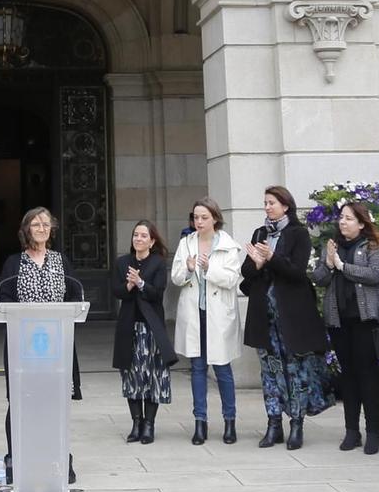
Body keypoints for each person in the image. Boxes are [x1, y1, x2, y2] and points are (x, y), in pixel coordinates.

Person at [0, 206, 84, 486]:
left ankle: (56, 456)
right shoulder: (14, 263)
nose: (42, 229)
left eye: (46, 224)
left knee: (53, 403)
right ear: (26, 230)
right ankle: (18, 456)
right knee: (21, 402)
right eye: (36, 224)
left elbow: (73, 297)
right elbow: (5, 299)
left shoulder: (61, 261)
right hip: (24, 347)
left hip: (56, 347)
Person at [241, 186, 331, 450]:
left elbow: (296, 272)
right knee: (269, 370)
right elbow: (247, 270)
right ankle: (273, 424)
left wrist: (272, 258)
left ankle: (297, 424)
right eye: (265, 202)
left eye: (272, 203)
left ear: (286, 206)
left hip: (291, 314)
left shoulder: (298, 234)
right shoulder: (260, 233)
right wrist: (257, 264)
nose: (267, 207)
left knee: (295, 369)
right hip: (263, 313)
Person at [311, 199, 379, 455]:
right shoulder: (333, 246)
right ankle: (351, 431)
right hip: (340, 321)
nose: (342, 222)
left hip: (365, 321)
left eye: (348, 218)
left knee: (367, 376)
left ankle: (373, 432)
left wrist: (342, 266)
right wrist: (327, 262)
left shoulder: (374, 246)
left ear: (361, 223)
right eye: (341, 217)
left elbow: (374, 275)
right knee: (347, 376)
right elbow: (319, 279)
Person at [172, 198, 241, 446]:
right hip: (195, 313)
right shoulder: (186, 243)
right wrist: (189, 268)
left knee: (222, 368)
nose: (198, 222)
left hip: (218, 315)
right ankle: (200, 422)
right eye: (196, 218)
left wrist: (209, 267)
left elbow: (232, 280)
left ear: (215, 218)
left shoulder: (228, 245)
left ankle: (229, 421)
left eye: (204, 217)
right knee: (197, 368)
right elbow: (176, 278)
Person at [113, 220, 176, 444]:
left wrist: (140, 283)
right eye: (135, 235)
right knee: (131, 376)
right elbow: (116, 291)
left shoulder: (158, 263)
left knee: (152, 376)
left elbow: (157, 293)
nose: (138, 239)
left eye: (143, 236)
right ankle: (136, 422)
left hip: (151, 329)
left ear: (152, 240)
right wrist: (129, 286)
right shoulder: (122, 263)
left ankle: (149, 424)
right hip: (129, 326)